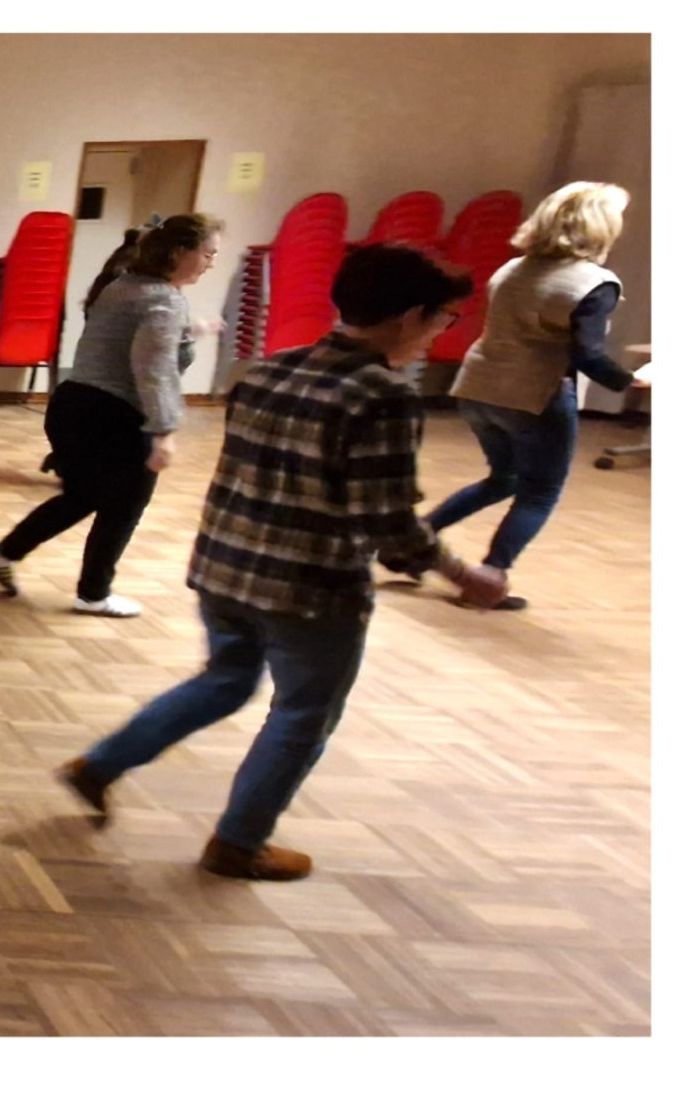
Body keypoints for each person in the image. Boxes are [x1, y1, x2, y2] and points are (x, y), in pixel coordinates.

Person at [55, 243, 509, 881]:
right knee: (302, 714)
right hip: (310, 589)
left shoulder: (268, 370)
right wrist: (465, 575)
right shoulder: (382, 395)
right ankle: (239, 843)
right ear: (412, 316)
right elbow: (388, 525)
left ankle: (100, 764)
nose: (440, 334)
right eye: (443, 319)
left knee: (226, 679)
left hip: (225, 567)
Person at [421, 182, 649, 608]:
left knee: (502, 478)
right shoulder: (595, 283)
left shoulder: (513, 269)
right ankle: (487, 579)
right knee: (539, 491)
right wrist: (632, 382)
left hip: (478, 386)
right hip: (534, 395)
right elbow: (587, 354)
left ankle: (412, 544)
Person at [0, 213, 221, 615]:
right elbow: (154, 369)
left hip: (72, 405)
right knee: (125, 505)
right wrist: (164, 432)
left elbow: (133, 347)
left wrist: (189, 332)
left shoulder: (122, 286)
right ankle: (94, 594)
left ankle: (5, 552)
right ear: (180, 251)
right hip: (113, 415)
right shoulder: (164, 299)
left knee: (83, 495)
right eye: (208, 254)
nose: (211, 263)